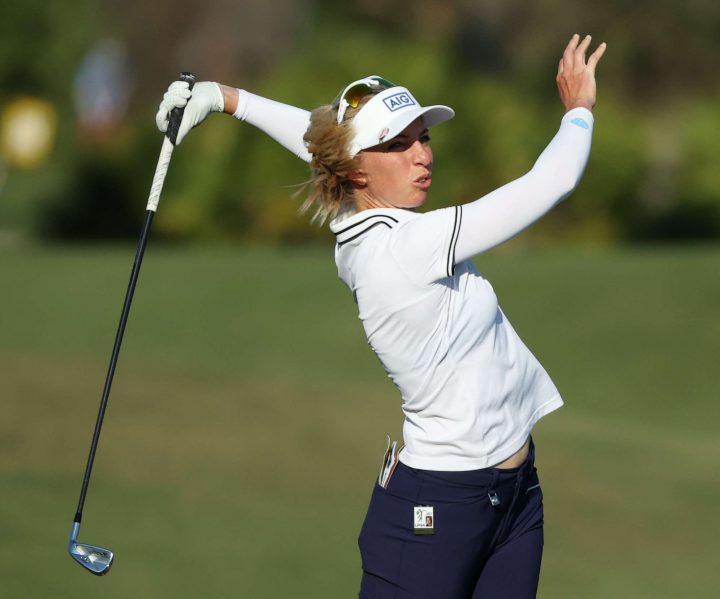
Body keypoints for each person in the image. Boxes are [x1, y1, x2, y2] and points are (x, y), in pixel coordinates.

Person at [156, 33, 606, 598]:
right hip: (438, 511)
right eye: (399, 144)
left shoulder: (363, 208)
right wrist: (578, 112)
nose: (423, 155)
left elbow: (316, 141)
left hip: (514, 499)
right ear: (357, 168)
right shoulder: (404, 247)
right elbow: (553, 180)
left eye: (423, 137)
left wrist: (229, 98)